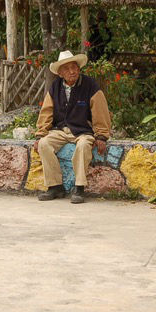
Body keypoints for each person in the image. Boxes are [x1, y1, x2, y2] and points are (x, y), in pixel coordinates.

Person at [34, 50, 111, 204]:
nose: (72, 71)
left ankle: (79, 187)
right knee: (44, 144)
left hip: (83, 131)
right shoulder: (55, 86)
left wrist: (101, 136)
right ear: (60, 73)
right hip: (61, 130)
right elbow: (47, 111)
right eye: (67, 68)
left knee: (83, 146)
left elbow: (100, 112)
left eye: (74, 67)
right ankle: (55, 186)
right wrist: (40, 134)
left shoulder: (90, 85)